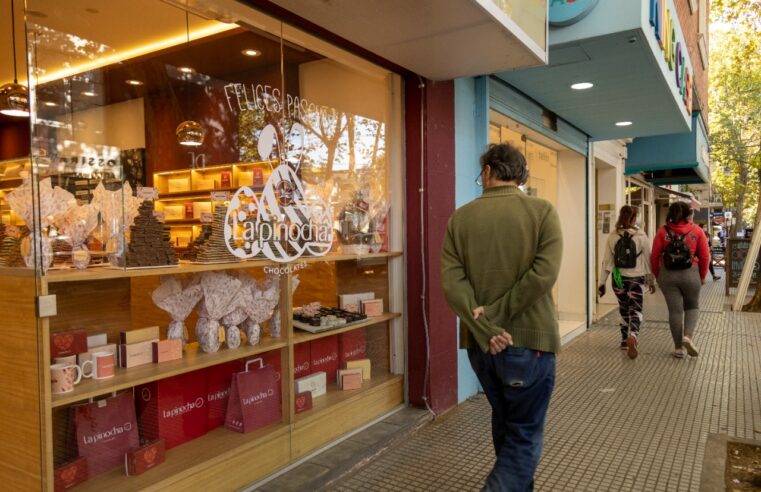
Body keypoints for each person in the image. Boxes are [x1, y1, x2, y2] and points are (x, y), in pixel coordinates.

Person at [441, 142, 562, 492]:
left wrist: (485, 326)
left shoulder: (460, 218)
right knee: (524, 433)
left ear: (489, 172)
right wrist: (499, 315)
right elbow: (543, 275)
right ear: (521, 176)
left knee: (506, 420)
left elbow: (452, 283)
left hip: (482, 348)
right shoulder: (542, 212)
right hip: (531, 343)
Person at [651, 202, 710, 358]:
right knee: (692, 306)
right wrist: (702, 276)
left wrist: (658, 275)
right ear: (687, 214)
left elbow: (655, 255)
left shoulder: (662, 232)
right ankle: (687, 337)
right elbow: (705, 256)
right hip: (691, 274)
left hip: (668, 275)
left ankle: (678, 348)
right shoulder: (697, 231)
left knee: (675, 311)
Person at [598, 205, 655, 359]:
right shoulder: (641, 236)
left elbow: (607, 262)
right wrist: (651, 281)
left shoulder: (612, 236)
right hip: (636, 279)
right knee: (635, 309)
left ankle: (624, 340)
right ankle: (634, 335)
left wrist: (601, 283)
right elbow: (649, 261)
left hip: (618, 280)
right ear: (634, 218)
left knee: (624, 308)